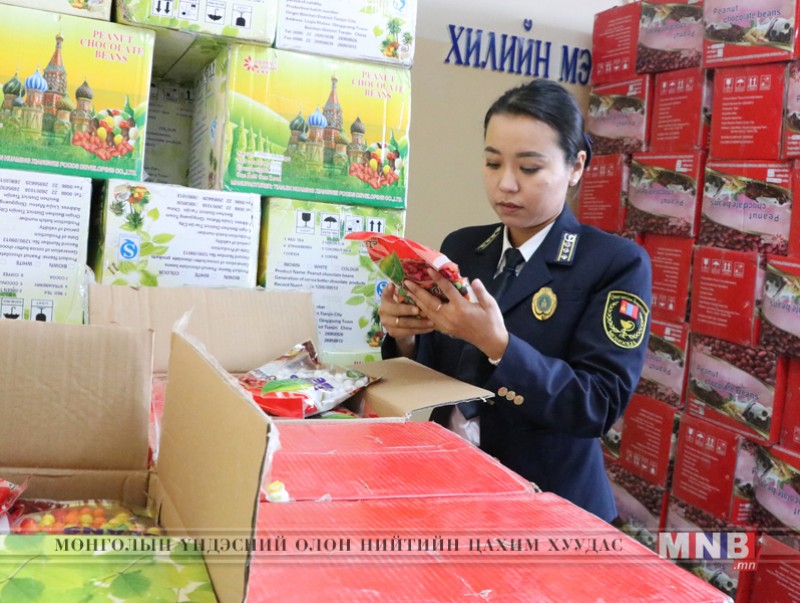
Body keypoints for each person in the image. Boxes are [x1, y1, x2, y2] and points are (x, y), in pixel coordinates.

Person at [378, 78, 652, 522]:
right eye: (492, 163)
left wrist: (498, 346)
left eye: (528, 168)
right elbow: (438, 371)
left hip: (548, 507)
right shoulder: (464, 247)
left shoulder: (614, 263)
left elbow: (597, 405)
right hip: (450, 486)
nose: (505, 184)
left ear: (576, 166)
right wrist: (405, 335)